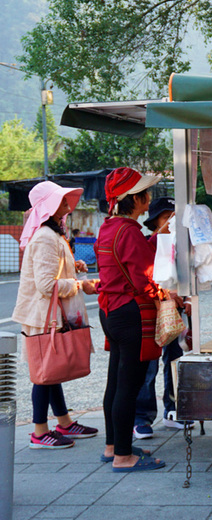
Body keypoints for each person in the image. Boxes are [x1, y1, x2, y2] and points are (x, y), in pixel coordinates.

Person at [13, 181, 99, 449]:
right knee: (43, 372)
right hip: (42, 315)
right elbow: (46, 285)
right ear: (48, 206)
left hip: (47, 314)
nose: (67, 204)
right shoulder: (45, 237)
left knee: (52, 370)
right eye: (61, 200)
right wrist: (79, 285)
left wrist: (73, 266)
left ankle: (64, 422)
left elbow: (51, 271)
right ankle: (39, 432)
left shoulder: (52, 234)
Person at [95, 167, 168, 472]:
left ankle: (114, 446)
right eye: (144, 192)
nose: (148, 197)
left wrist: (157, 236)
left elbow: (128, 263)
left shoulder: (110, 227)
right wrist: (165, 295)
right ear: (135, 199)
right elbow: (143, 279)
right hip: (130, 312)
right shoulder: (129, 231)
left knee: (115, 382)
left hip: (110, 311)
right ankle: (124, 457)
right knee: (129, 386)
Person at [133, 196, 195, 439]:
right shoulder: (148, 244)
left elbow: (189, 278)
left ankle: (173, 409)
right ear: (155, 221)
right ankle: (142, 417)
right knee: (148, 366)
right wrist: (166, 293)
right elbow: (143, 278)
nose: (171, 222)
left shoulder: (182, 246)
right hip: (152, 310)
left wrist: (187, 299)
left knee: (175, 361)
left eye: (174, 217)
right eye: (166, 217)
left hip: (175, 310)